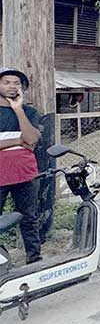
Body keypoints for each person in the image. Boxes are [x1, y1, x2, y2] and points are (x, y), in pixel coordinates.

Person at [0, 67, 42, 264]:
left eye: (16, 83)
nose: (11, 86)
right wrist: (17, 141)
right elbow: (24, 140)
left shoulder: (29, 112)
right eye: (6, 82)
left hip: (25, 174)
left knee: (29, 219)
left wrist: (18, 110)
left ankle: (34, 260)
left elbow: (32, 138)